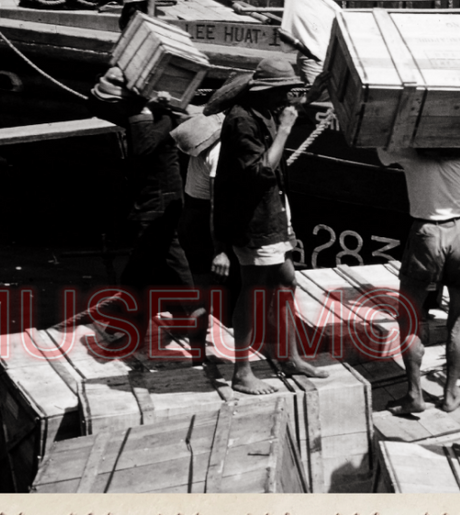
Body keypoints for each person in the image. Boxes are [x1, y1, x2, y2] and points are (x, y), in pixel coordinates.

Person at [215, 59, 323, 392]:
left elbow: (297, 100)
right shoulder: (242, 121)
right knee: (254, 290)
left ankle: (291, 356)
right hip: (254, 219)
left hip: (273, 212)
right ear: (267, 91)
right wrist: (287, 129)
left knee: (286, 282)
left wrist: (315, 91)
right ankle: (242, 372)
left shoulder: (264, 109)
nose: (288, 97)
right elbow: (260, 170)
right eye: (283, 91)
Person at [89, 67, 195, 358]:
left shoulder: (157, 118)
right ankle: (186, 318)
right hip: (151, 201)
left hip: (160, 203)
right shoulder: (144, 116)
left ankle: (185, 319)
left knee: (147, 270)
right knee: (158, 266)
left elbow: (145, 148)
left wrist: (145, 111)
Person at [376, 145, 460, 415]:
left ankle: (415, 394)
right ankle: (450, 393)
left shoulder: (408, 149)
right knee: (458, 317)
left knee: (408, 316)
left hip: (426, 231)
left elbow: (381, 153)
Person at [172, 113, 234, 337]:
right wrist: (221, 251)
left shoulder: (201, 148)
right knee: (207, 277)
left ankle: (196, 322)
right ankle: (202, 328)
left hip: (190, 212)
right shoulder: (218, 153)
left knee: (198, 275)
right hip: (203, 217)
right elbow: (217, 205)